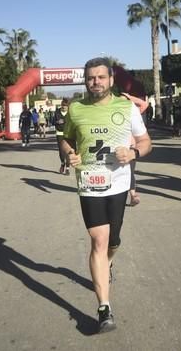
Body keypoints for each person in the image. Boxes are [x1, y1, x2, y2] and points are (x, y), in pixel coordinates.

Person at [60, 57, 152, 333]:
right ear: (85, 81)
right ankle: (104, 308)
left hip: (119, 183)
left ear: (111, 80)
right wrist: (69, 153)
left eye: (101, 77)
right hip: (89, 183)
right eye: (90, 78)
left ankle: (109, 261)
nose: (95, 82)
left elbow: (146, 142)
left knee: (113, 241)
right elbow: (66, 138)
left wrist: (134, 152)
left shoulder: (126, 108)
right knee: (98, 240)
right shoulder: (76, 109)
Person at [121, 92, 148, 207]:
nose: (123, 103)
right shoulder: (113, 114)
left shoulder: (132, 113)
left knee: (130, 171)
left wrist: (129, 97)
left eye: (125, 101)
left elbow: (144, 104)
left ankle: (132, 195)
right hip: (118, 147)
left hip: (131, 147)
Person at [54, 98, 70, 174]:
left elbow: (73, 121)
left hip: (69, 134)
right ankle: (62, 163)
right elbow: (52, 121)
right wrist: (57, 122)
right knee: (61, 151)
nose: (64, 107)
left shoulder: (70, 113)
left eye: (65, 106)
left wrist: (64, 121)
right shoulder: (57, 112)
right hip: (59, 134)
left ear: (68, 106)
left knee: (68, 151)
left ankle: (67, 168)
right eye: (63, 105)